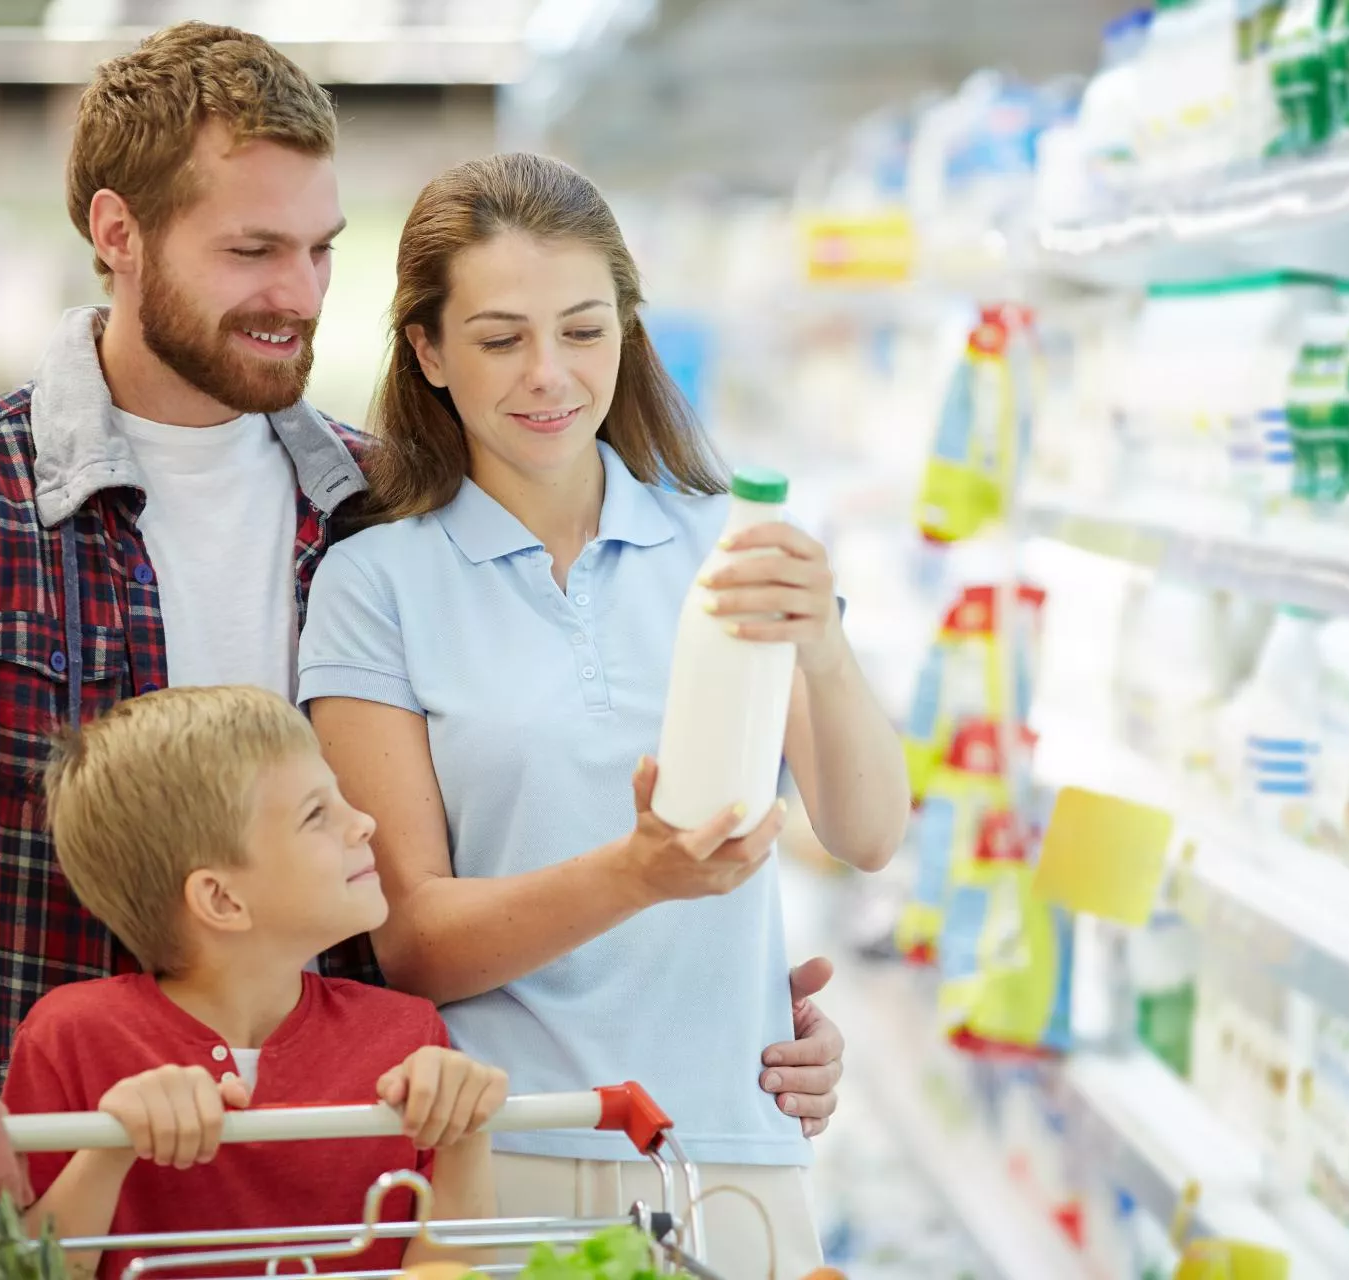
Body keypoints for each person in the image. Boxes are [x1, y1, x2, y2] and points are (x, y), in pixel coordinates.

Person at [0, 19, 843, 1211]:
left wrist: (727, 998)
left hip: (341, 1180)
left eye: (322, 249)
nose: (299, 293)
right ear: (117, 234)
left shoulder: (379, 507)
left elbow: (495, 838)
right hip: (51, 1168)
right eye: (252, 250)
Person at [297, 152, 912, 1275]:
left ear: (629, 329)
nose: (549, 374)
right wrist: (639, 871)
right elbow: (413, 941)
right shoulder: (376, 582)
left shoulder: (725, 540)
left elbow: (870, 830)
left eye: (584, 329)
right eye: (499, 338)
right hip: (504, 1155)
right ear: (427, 351)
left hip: (731, 1150)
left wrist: (822, 639)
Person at [4, 685, 505, 1279]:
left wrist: (465, 1133)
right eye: (317, 814)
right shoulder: (71, 1035)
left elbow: (449, 1267)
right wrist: (110, 1149)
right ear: (220, 898)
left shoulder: (408, 1032)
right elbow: (20, 1270)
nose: (365, 822)